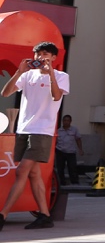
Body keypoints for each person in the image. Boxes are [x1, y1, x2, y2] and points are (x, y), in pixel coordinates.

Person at [0, 42, 68, 230]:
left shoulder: (62, 76)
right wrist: (19, 72)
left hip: (42, 130)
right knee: (34, 174)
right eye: (37, 54)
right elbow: (5, 93)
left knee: (22, 171)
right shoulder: (27, 75)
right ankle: (45, 215)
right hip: (24, 129)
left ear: (54, 57)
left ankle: (2, 214)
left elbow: (56, 96)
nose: (40, 57)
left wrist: (51, 73)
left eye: (45, 54)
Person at [54, 113, 83, 186]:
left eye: (68, 120)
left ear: (70, 121)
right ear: (62, 121)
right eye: (64, 120)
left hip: (71, 152)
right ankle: (61, 183)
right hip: (60, 151)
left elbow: (78, 139)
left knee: (72, 168)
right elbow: (55, 141)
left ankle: (74, 183)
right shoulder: (58, 131)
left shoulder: (74, 130)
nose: (66, 122)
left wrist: (80, 149)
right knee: (60, 168)